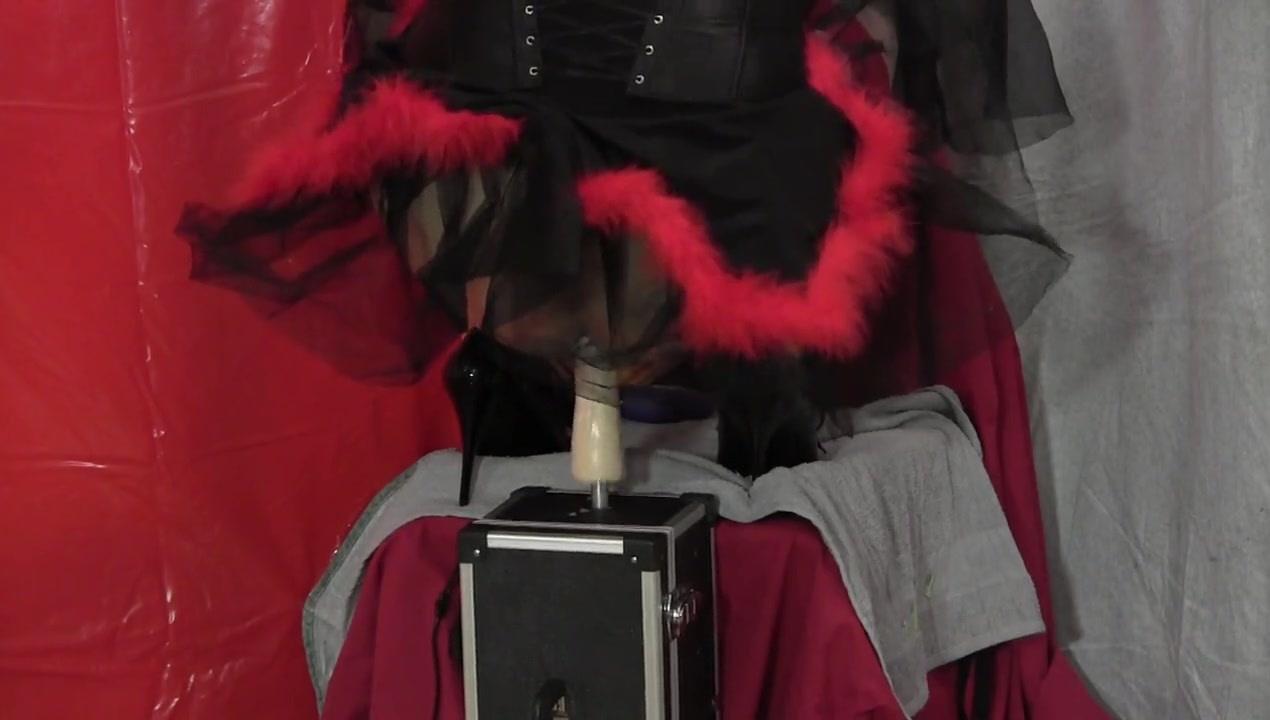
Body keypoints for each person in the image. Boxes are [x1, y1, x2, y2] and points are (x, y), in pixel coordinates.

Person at [176, 0, 1071, 495]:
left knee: (760, 443)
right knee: (530, 370)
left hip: (724, 119)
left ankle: (744, 522)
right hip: (509, 105)